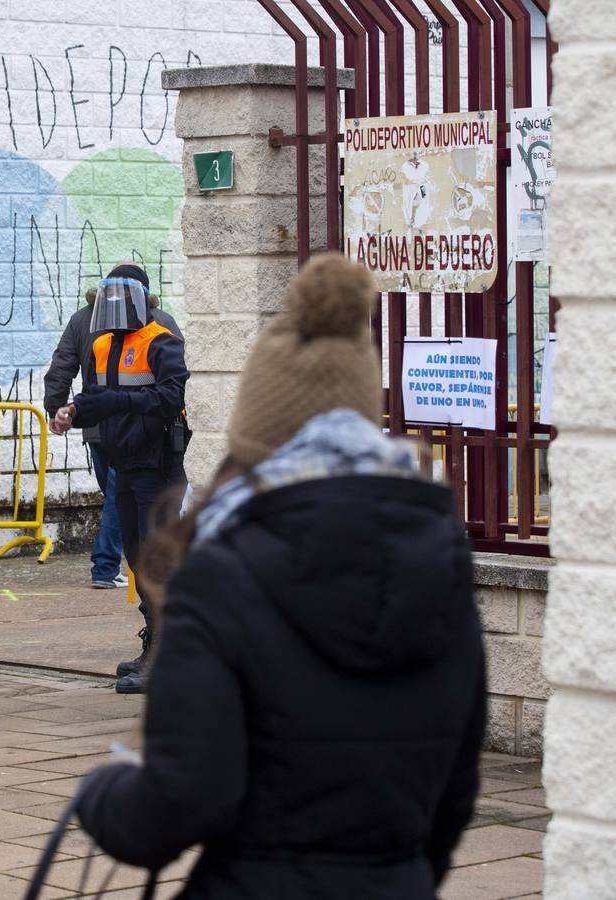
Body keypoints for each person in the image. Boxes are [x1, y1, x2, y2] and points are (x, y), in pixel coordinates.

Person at [72, 255, 485, 898]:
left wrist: (103, 794)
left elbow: (176, 801)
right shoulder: (439, 565)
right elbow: (456, 790)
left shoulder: (223, 571)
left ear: (258, 432)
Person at [53, 262, 188, 694]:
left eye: (121, 296)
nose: (113, 305)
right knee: (136, 554)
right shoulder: (102, 345)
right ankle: (156, 644)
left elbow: (171, 396)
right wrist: (71, 412)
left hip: (158, 466)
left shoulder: (161, 341)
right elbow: (94, 397)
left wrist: (118, 402)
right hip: (121, 463)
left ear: (141, 298)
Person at [44, 285, 183, 592]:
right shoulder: (150, 324)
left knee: (126, 505)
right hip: (113, 432)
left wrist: (58, 409)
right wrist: (67, 411)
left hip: (134, 442)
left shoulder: (152, 333)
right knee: (122, 504)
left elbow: (174, 391)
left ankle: (109, 566)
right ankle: (108, 565)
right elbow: (87, 386)